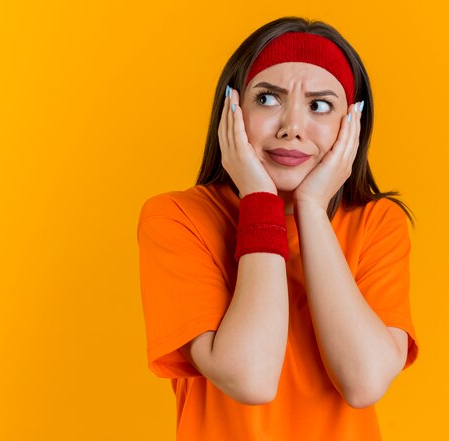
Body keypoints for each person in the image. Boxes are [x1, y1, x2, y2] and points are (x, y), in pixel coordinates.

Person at [137, 16, 419, 441]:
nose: (292, 126)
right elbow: (250, 378)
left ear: (351, 124)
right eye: (268, 99)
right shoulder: (178, 218)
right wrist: (260, 201)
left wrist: (310, 206)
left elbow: (364, 383)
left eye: (320, 105)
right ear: (232, 110)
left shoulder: (378, 224)